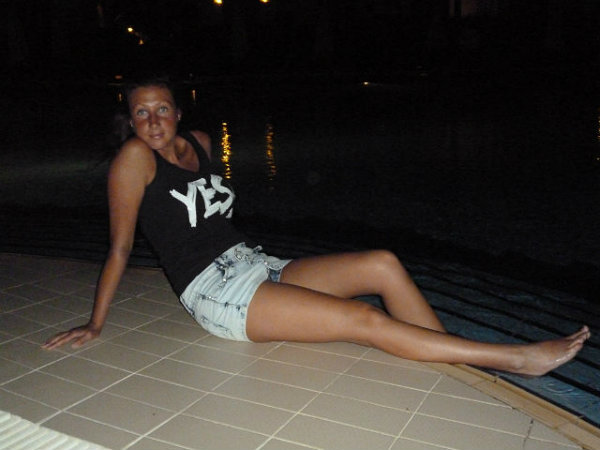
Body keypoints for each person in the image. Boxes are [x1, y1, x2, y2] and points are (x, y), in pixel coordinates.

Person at [43, 79, 591, 377]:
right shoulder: (133, 161)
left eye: (162, 109)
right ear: (131, 119)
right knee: (362, 319)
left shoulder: (203, 144)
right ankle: (513, 359)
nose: (153, 121)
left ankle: (449, 354)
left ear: (178, 112)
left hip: (258, 265)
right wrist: (95, 323)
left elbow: (211, 215)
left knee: (383, 263)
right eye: (142, 113)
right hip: (215, 291)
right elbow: (120, 248)